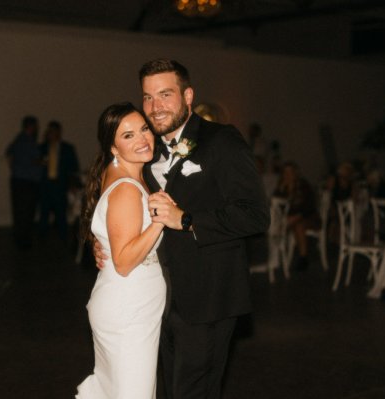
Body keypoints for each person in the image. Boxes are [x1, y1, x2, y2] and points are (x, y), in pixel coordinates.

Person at [96, 59, 269, 398]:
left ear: (187, 95)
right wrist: (102, 240)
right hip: (155, 300)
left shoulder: (222, 141)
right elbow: (113, 200)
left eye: (164, 95)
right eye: (147, 98)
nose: (155, 108)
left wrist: (187, 220)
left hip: (207, 298)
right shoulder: (146, 148)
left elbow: (255, 215)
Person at [76, 102, 169, 398]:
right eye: (128, 136)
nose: (142, 139)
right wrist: (159, 221)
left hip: (130, 306)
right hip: (128, 311)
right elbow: (124, 261)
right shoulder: (127, 188)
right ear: (113, 148)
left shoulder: (128, 175)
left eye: (143, 129)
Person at [273, 161, 320, 270]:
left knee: (298, 225)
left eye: (290, 172)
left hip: (308, 218)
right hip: (288, 220)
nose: (288, 175)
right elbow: (275, 204)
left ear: (295, 173)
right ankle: (274, 257)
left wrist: (297, 216)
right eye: (285, 172)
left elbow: (310, 206)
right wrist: (281, 189)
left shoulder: (303, 186)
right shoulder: (282, 187)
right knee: (276, 224)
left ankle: (303, 257)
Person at [38, 120, 80, 241]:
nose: (51, 133)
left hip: (60, 186)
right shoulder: (42, 148)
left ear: (58, 132)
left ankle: (63, 239)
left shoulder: (67, 148)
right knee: (44, 214)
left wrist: (72, 185)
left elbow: (73, 168)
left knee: (61, 214)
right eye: (49, 131)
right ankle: (42, 239)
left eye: (53, 131)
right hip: (45, 185)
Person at [5, 115, 43, 250]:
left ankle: (20, 239)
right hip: (27, 182)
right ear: (31, 126)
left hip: (18, 180)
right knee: (27, 212)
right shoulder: (28, 141)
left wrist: (15, 167)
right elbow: (34, 159)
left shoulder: (18, 139)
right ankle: (24, 241)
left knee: (20, 211)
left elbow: (8, 153)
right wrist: (44, 161)